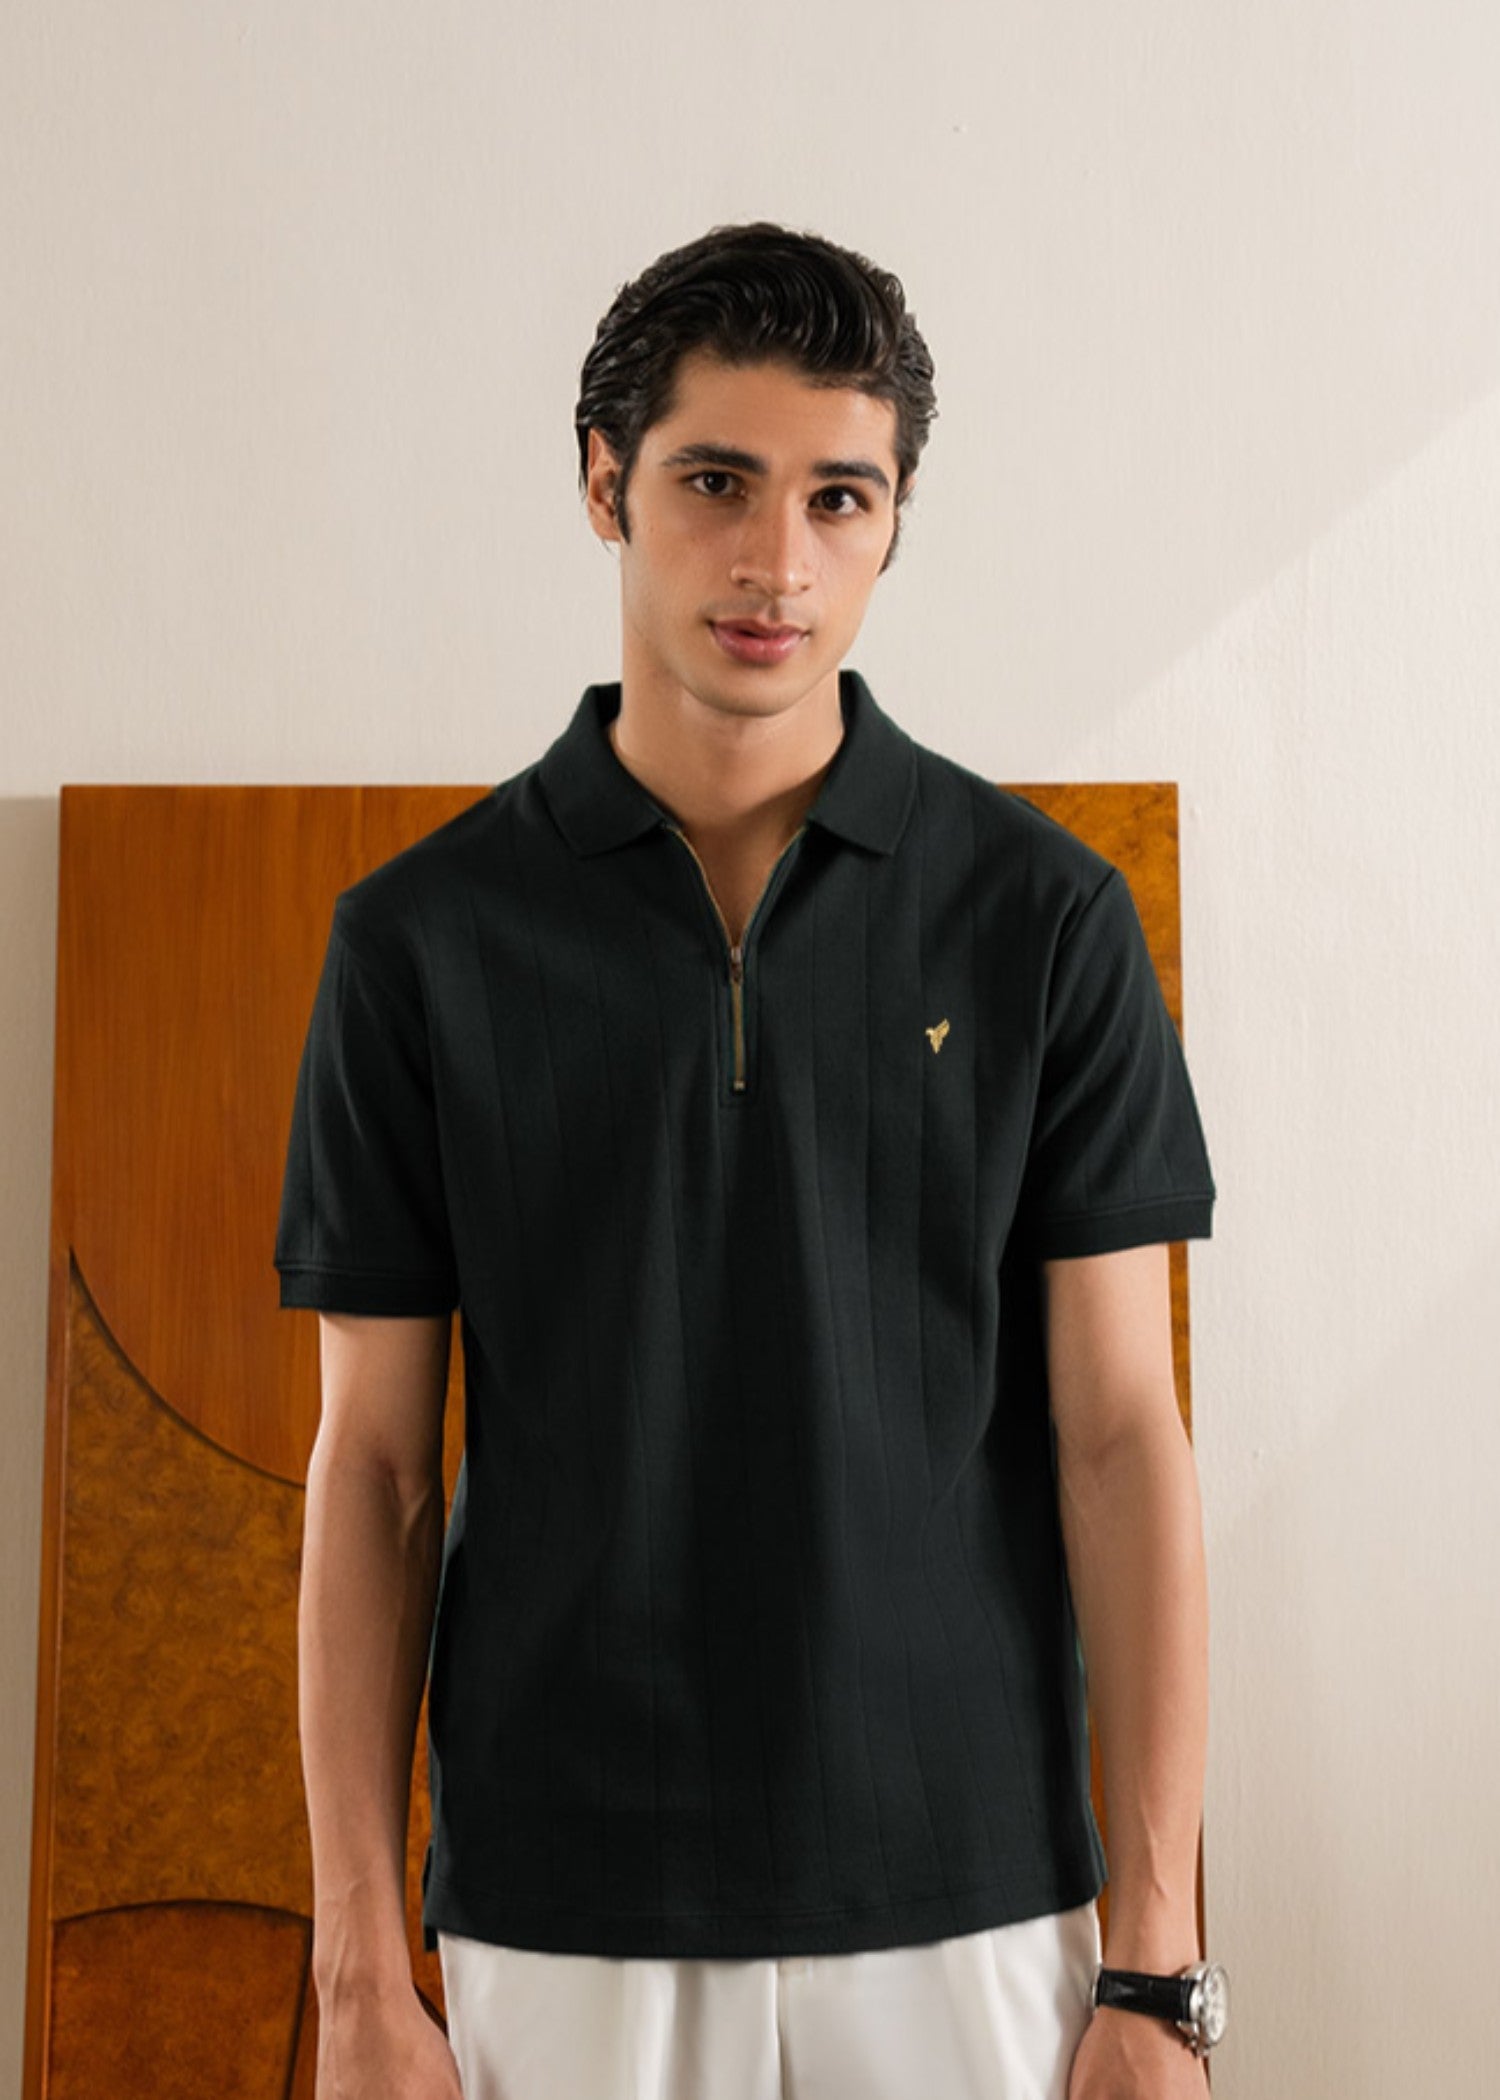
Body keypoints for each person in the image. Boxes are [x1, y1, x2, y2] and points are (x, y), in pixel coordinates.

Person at [276, 222, 1224, 2100]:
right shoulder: (421, 945)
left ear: (893, 522)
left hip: (977, 1909)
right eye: (716, 482)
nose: (777, 560)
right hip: (561, 1906)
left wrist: (1158, 1968)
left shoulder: (1045, 922)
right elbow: (374, 1470)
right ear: (605, 485)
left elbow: (1123, 1441)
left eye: (837, 497)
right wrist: (361, 1972)